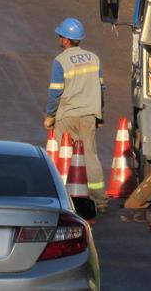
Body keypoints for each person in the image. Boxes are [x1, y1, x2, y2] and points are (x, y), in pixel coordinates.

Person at [44, 17, 108, 213]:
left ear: (66, 40)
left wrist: (49, 115)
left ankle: (62, 198)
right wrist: (100, 114)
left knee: (61, 156)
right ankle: (100, 200)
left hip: (66, 115)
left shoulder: (61, 61)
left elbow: (55, 91)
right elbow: (101, 88)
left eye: (60, 36)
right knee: (90, 156)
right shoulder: (94, 58)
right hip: (89, 114)